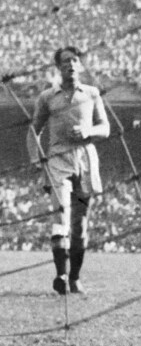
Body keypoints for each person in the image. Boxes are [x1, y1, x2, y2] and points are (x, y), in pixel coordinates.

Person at [28, 46, 110, 295]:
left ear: (81, 65)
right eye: (65, 61)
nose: (70, 64)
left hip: (85, 161)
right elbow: (34, 129)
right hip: (57, 160)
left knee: (81, 225)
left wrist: (89, 132)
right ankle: (60, 275)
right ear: (58, 67)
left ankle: (74, 277)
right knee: (61, 217)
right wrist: (36, 159)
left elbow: (105, 127)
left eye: (75, 60)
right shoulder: (47, 97)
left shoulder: (92, 94)